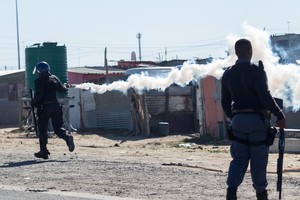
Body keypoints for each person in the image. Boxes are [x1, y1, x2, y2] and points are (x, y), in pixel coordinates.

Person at [221, 39, 286, 200]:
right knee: (258, 162)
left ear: (236, 52)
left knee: (238, 160)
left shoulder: (228, 73)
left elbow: (224, 102)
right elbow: (265, 97)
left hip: (238, 123)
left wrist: (234, 117)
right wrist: (279, 114)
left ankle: (231, 193)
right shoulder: (257, 72)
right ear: (250, 51)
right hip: (257, 122)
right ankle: (261, 194)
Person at [30, 61, 75, 159]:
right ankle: (67, 138)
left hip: (44, 107)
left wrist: (33, 102)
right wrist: (65, 85)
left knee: (42, 129)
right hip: (55, 106)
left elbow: (39, 95)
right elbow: (62, 90)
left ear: (39, 70)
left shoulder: (38, 81)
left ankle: (43, 151)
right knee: (58, 128)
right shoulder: (54, 78)